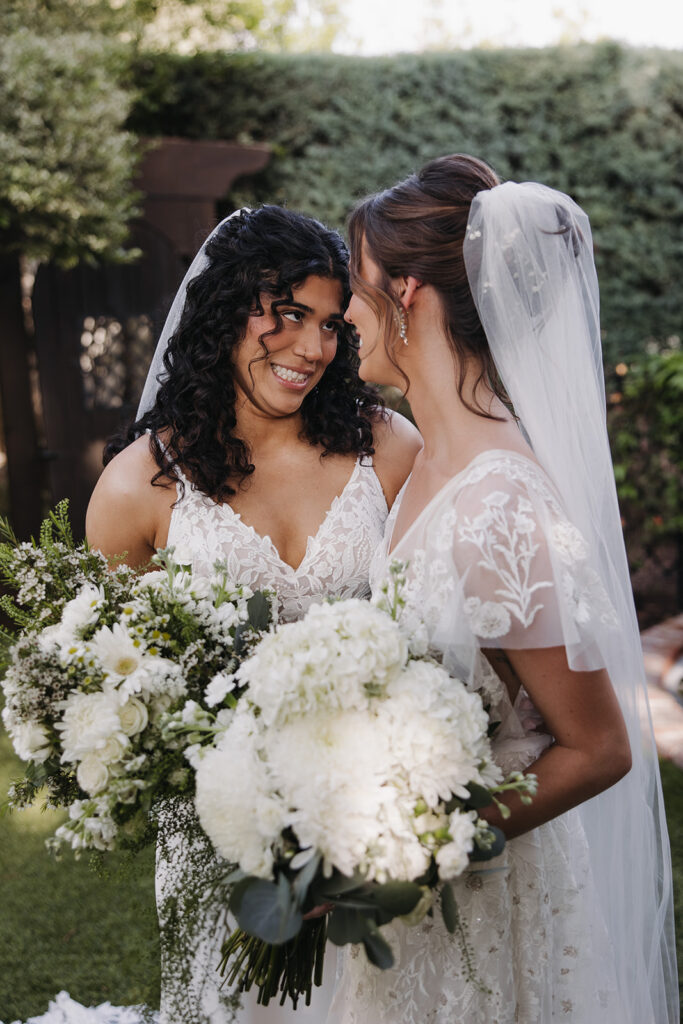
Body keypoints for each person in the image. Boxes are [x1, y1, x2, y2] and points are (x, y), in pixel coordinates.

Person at [330, 154, 679, 1023]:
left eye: (351, 282)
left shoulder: (502, 503)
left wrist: (418, 850)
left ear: (405, 291)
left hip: (480, 902)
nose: (338, 311)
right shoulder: (422, 459)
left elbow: (597, 748)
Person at [84, 204, 421, 1024]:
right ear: (224, 311)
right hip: (222, 844)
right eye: (289, 315)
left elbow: (433, 631)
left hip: (373, 825)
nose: (312, 348)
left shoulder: (391, 449)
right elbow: (122, 692)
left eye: (333, 325)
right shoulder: (138, 490)